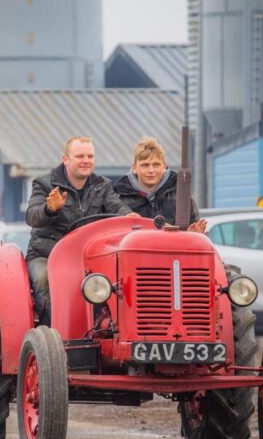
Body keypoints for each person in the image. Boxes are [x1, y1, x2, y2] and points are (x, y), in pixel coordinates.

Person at [25, 137, 132, 325]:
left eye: (90, 156)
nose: (86, 160)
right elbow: (32, 216)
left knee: (118, 282)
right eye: (80, 156)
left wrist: (130, 216)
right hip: (47, 254)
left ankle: (109, 328)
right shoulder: (45, 184)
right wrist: (50, 209)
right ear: (66, 159)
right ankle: (55, 330)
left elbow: (116, 207)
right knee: (44, 281)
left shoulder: (102, 185)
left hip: (87, 256)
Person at [112, 137, 207, 233]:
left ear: (164, 167)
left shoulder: (180, 195)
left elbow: (195, 232)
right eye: (145, 165)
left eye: (156, 165)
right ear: (134, 168)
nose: (151, 170)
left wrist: (192, 234)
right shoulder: (119, 197)